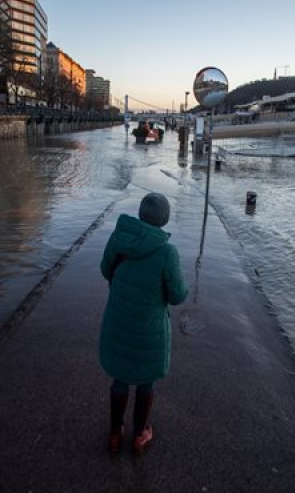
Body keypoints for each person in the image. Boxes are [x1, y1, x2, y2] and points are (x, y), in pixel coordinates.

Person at [99, 192, 188, 454]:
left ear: (140, 213)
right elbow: (176, 296)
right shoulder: (167, 252)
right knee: (146, 380)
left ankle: (115, 433)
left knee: (120, 377)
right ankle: (139, 435)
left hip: (118, 319)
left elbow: (106, 270)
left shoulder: (119, 238)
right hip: (149, 328)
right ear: (164, 219)